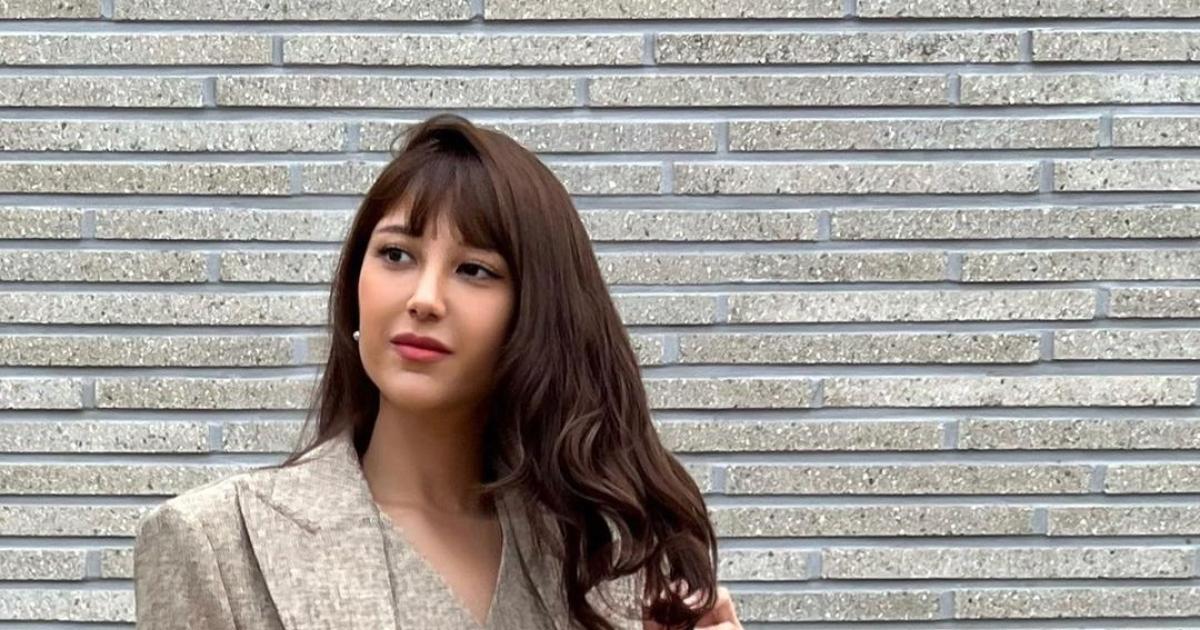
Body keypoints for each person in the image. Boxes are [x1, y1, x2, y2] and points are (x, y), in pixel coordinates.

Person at [133, 113, 743, 630]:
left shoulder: (600, 567)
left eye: (474, 269)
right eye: (396, 254)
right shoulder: (214, 542)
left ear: (534, 315)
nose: (424, 298)